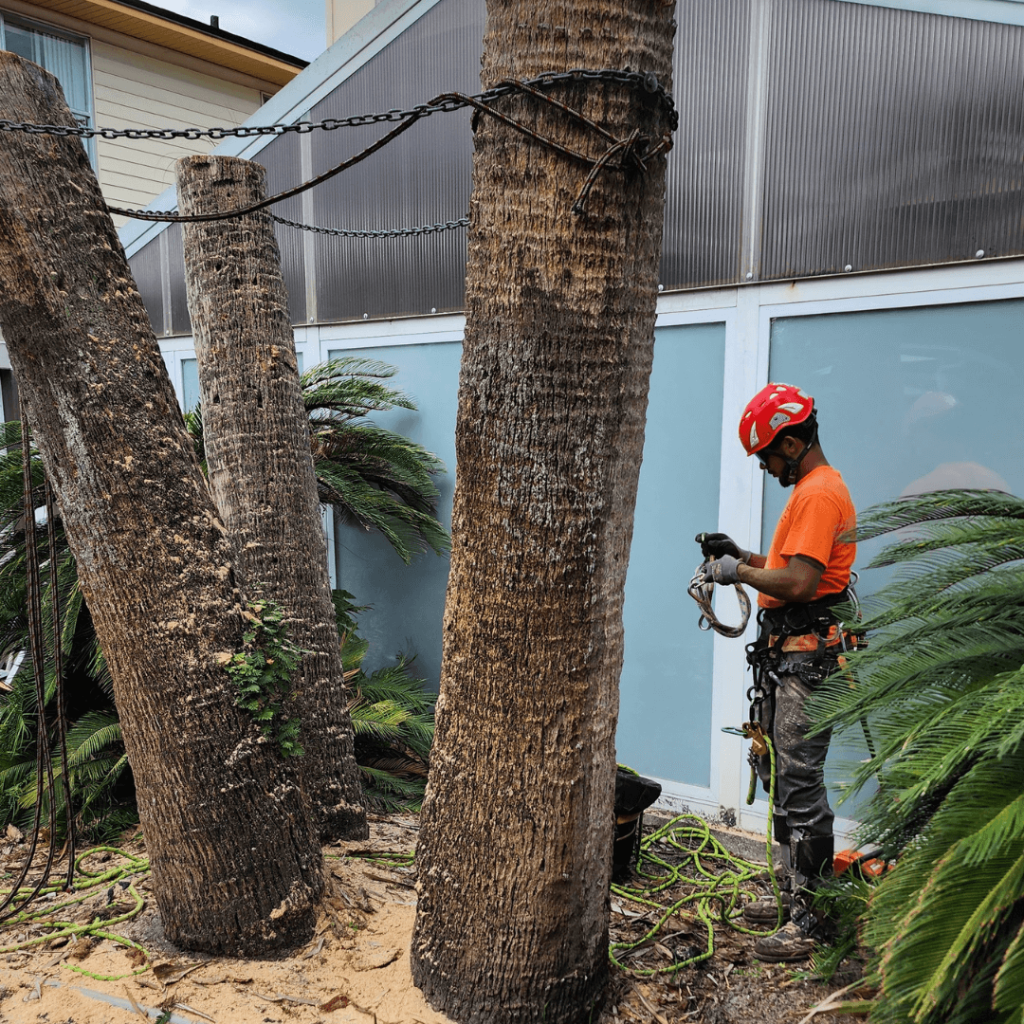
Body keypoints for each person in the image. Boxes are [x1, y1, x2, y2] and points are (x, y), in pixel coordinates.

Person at [695, 382, 858, 962]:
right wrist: (744, 556)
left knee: (800, 783)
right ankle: (794, 895)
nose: (765, 466)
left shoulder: (818, 494)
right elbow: (787, 567)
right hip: (792, 655)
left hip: (809, 658)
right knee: (781, 776)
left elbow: (799, 585)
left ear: (790, 442)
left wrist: (737, 572)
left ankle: (811, 917)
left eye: (766, 454)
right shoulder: (814, 490)